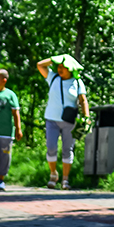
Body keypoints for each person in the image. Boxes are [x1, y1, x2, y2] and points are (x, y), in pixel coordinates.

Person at [37, 54, 90, 190]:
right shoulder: (53, 77)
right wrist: (56, 58)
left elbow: (83, 100)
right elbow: (40, 65)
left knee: (68, 149)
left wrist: (86, 117)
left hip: (69, 120)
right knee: (51, 147)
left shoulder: (77, 82)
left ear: (70, 69)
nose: (60, 69)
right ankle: (53, 174)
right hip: (51, 119)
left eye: (63, 67)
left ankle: (65, 179)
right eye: (59, 66)